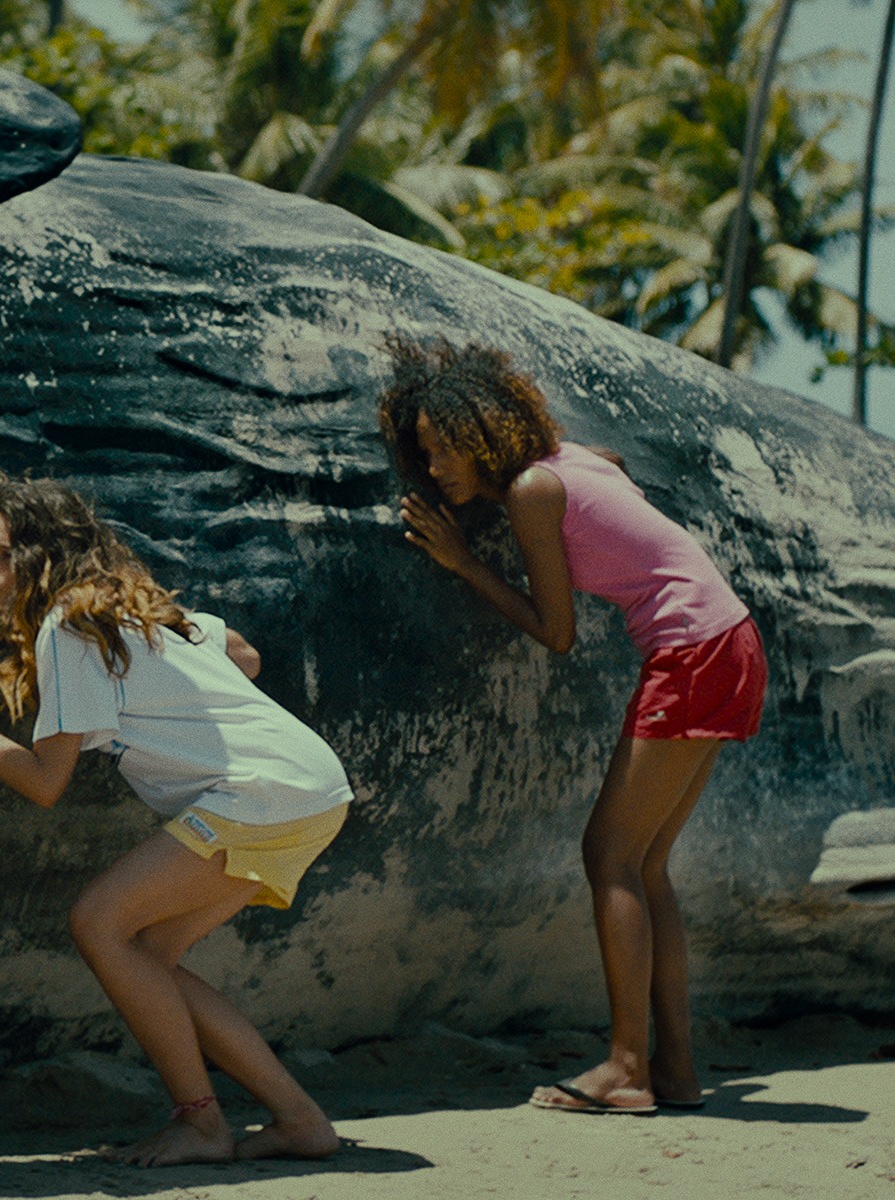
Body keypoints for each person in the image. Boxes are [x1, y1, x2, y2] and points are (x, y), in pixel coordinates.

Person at [0, 474, 352, 1164]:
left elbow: (46, 782)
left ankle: (201, 1123)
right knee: (149, 956)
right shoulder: (133, 606)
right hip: (313, 786)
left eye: (0, 553)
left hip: (259, 794)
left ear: (44, 555)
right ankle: (299, 1119)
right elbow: (245, 655)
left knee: (97, 922)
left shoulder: (67, 625)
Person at [378, 336, 766, 1116]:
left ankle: (626, 1067)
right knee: (645, 863)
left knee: (609, 855)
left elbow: (557, 633)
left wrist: (463, 563)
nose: (436, 469)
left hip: (692, 652)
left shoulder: (531, 490)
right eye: (424, 454)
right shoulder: (571, 459)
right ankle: (677, 1071)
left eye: (445, 448)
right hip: (733, 639)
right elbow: (615, 464)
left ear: (482, 431)